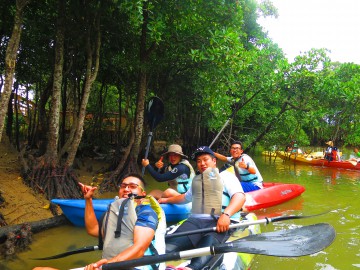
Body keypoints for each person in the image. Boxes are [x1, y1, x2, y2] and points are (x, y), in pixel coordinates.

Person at [33, 173, 166, 270]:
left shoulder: (146, 213)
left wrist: (106, 265)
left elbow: (139, 249)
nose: (126, 189)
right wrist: (88, 200)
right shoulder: (117, 213)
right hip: (110, 266)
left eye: (132, 186)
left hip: (136, 267)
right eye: (123, 186)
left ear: (142, 194)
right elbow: (93, 230)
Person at [158, 146, 246, 270]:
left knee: (208, 244)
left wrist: (226, 215)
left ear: (214, 161)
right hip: (195, 223)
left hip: (219, 222)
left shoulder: (226, 176)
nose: (202, 164)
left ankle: (192, 268)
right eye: (199, 161)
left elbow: (239, 197)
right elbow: (184, 198)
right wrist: (166, 200)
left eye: (205, 160)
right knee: (167, 247)